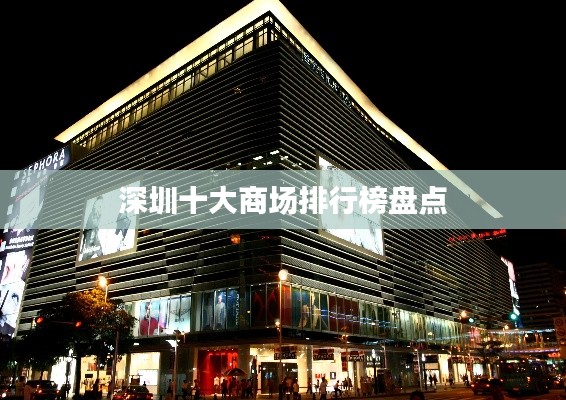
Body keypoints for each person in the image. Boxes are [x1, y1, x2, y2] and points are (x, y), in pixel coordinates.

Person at [80, 195, 104, 260]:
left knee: (100, 254)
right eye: (99, 203)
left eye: (101, 203)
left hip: (93, 235)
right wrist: (82, 247)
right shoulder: (93, 213)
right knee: (86, 257)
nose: (100, 205)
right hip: (91, 235)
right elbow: (87, 229)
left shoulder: (97, 212)